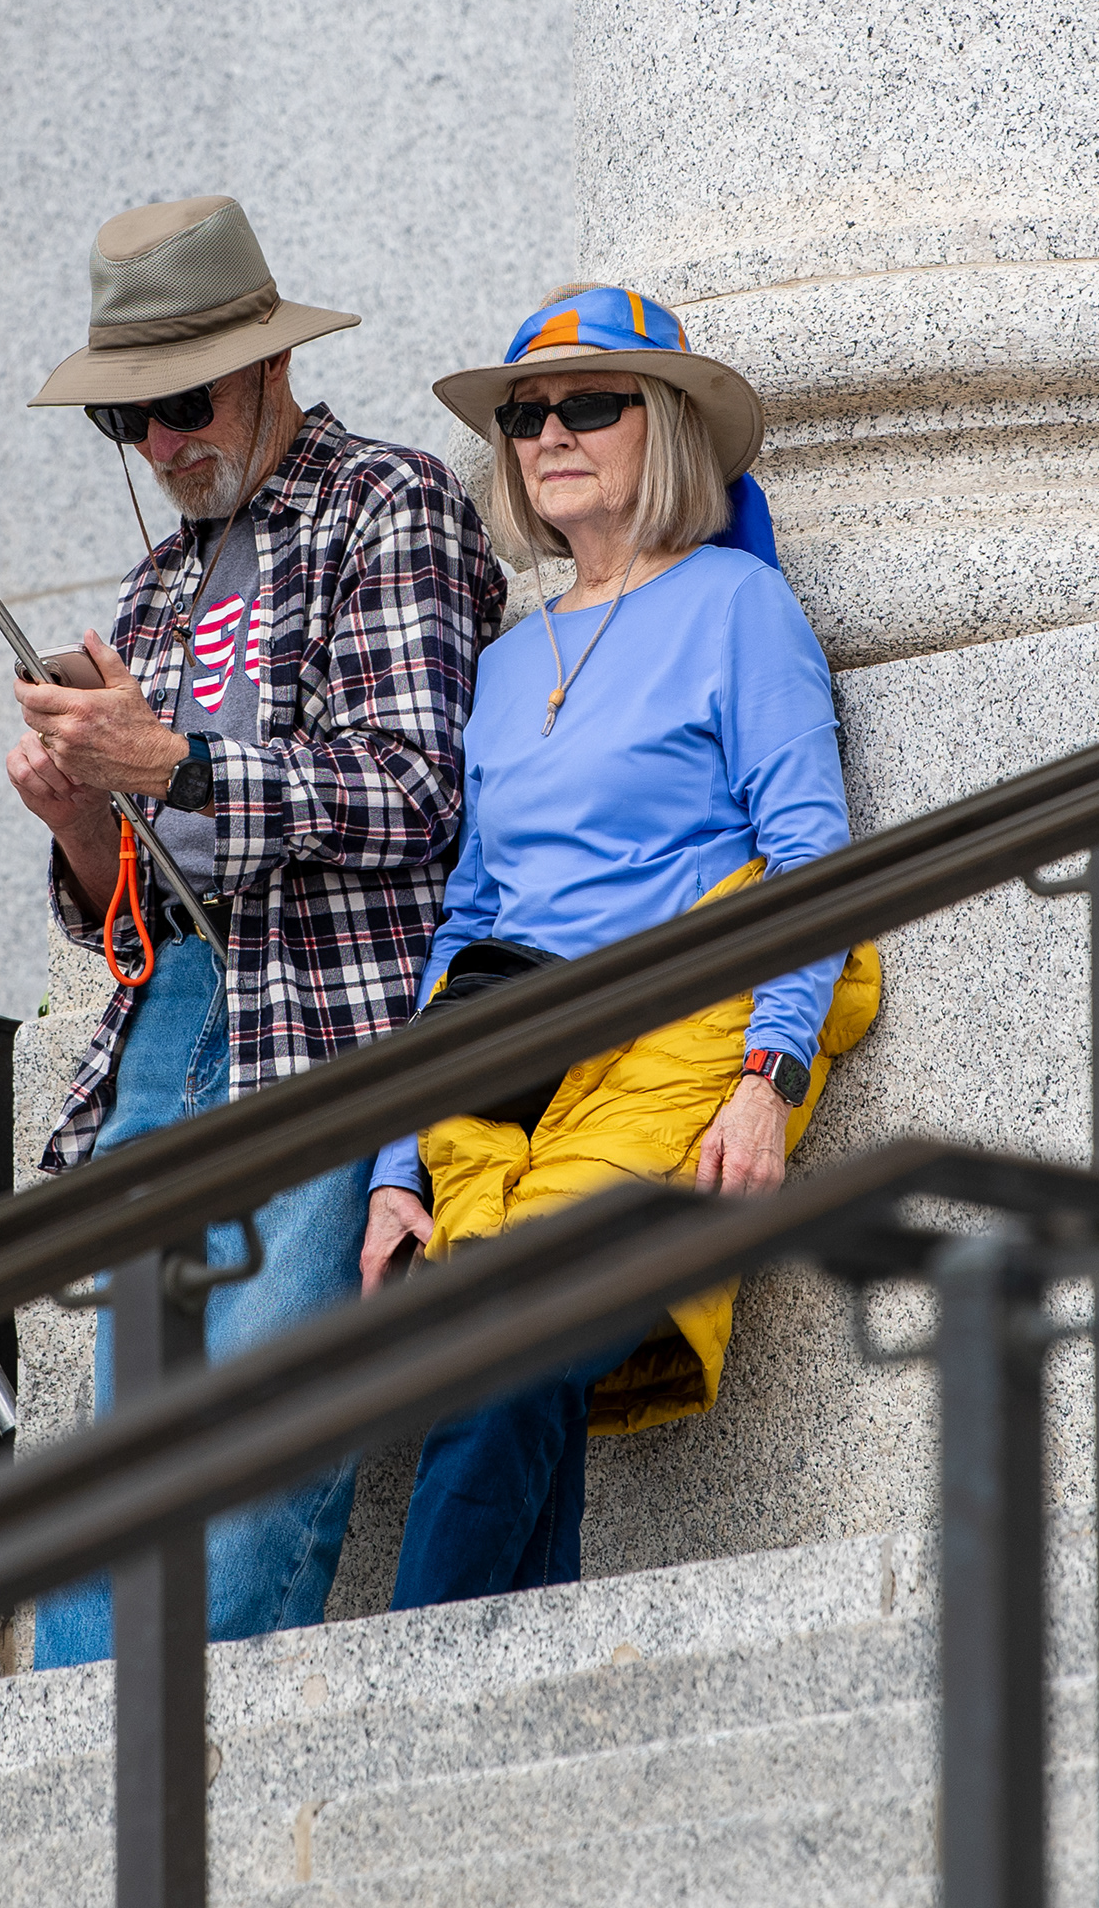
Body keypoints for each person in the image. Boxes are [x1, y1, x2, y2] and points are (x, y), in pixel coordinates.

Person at [11, 195, 503, 1658]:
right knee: (121, 1464)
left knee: (260, 1446)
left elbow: (420, 790)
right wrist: (76, 820)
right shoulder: (156, 586)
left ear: (269, 366)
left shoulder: (390, 504)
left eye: (180, 405)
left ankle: (175, 1798)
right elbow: (130, 902)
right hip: (169, 1027)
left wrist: (172, 762)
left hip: (333, 1023)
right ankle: (75, 1786)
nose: (162, 447)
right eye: (128, 424)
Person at [362, 285, 881, 1608]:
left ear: (665, 428)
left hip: (670, 1046)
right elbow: (468, 917)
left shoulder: (734, 605)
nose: (549, 432)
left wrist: (767, 1077)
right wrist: (394, 1160)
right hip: (503, 1074)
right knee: (503, 1383)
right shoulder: (501, 658)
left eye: (589, 404)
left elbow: (814, 853)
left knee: (509, 1354)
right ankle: (493, 1718)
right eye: (526, 414)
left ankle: (393, 1704)